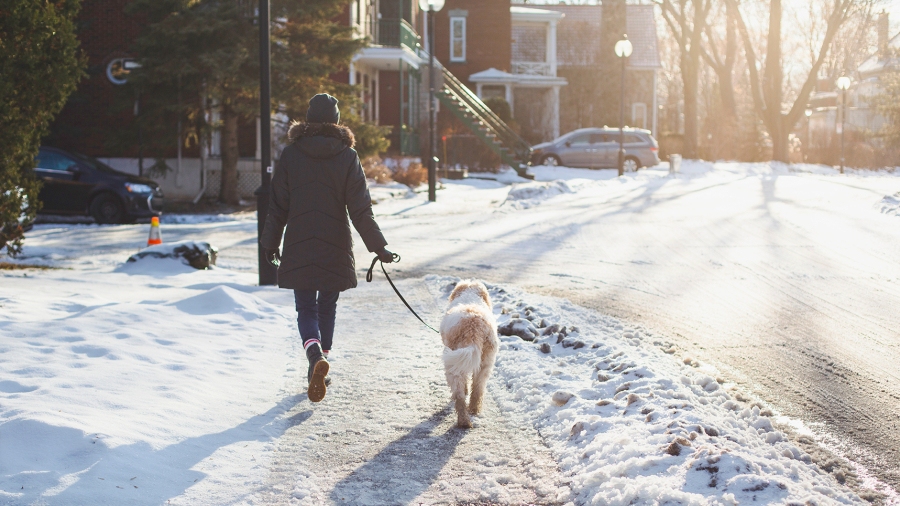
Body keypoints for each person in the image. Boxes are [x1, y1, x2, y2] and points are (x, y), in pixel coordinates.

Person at [260, 93, 394, 403]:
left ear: (308, 119)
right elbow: (361, 210)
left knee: (305, 307)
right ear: (335, 120)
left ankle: (314, 357)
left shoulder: (291, 155)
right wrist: (379, 247)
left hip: (298, 242)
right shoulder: (347, 157)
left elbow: (277, 206)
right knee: (327, 305)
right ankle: (321, 361)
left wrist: (270, 243)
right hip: (335, 243)